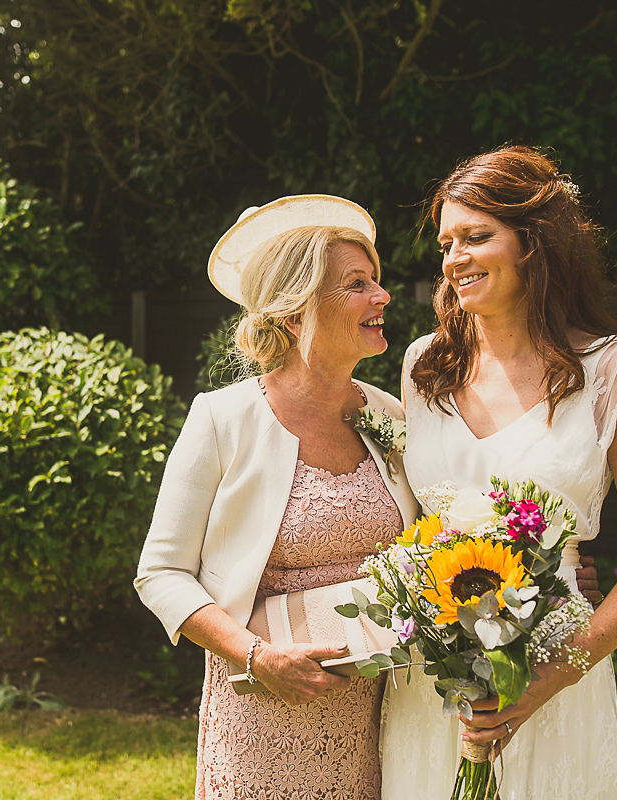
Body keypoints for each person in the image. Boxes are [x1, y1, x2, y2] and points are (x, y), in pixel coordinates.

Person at [379, 145, 617, 799]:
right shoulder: (422, 367)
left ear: (534, 241)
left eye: (475, 236)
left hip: (555, 666)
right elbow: (406, 527)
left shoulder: (616, 372)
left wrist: (551, 675)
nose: (454, 258)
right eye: (445, 243)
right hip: (433, 678)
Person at [135, 195, 419, 799]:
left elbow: (430, 550)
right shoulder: (222, 419)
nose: (383, 296)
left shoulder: (391, 415)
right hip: (267, 717)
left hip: (386, 715)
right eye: (357, 284)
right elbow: (160, 574)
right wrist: (258, 656)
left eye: (378, 280)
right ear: (295, 314)